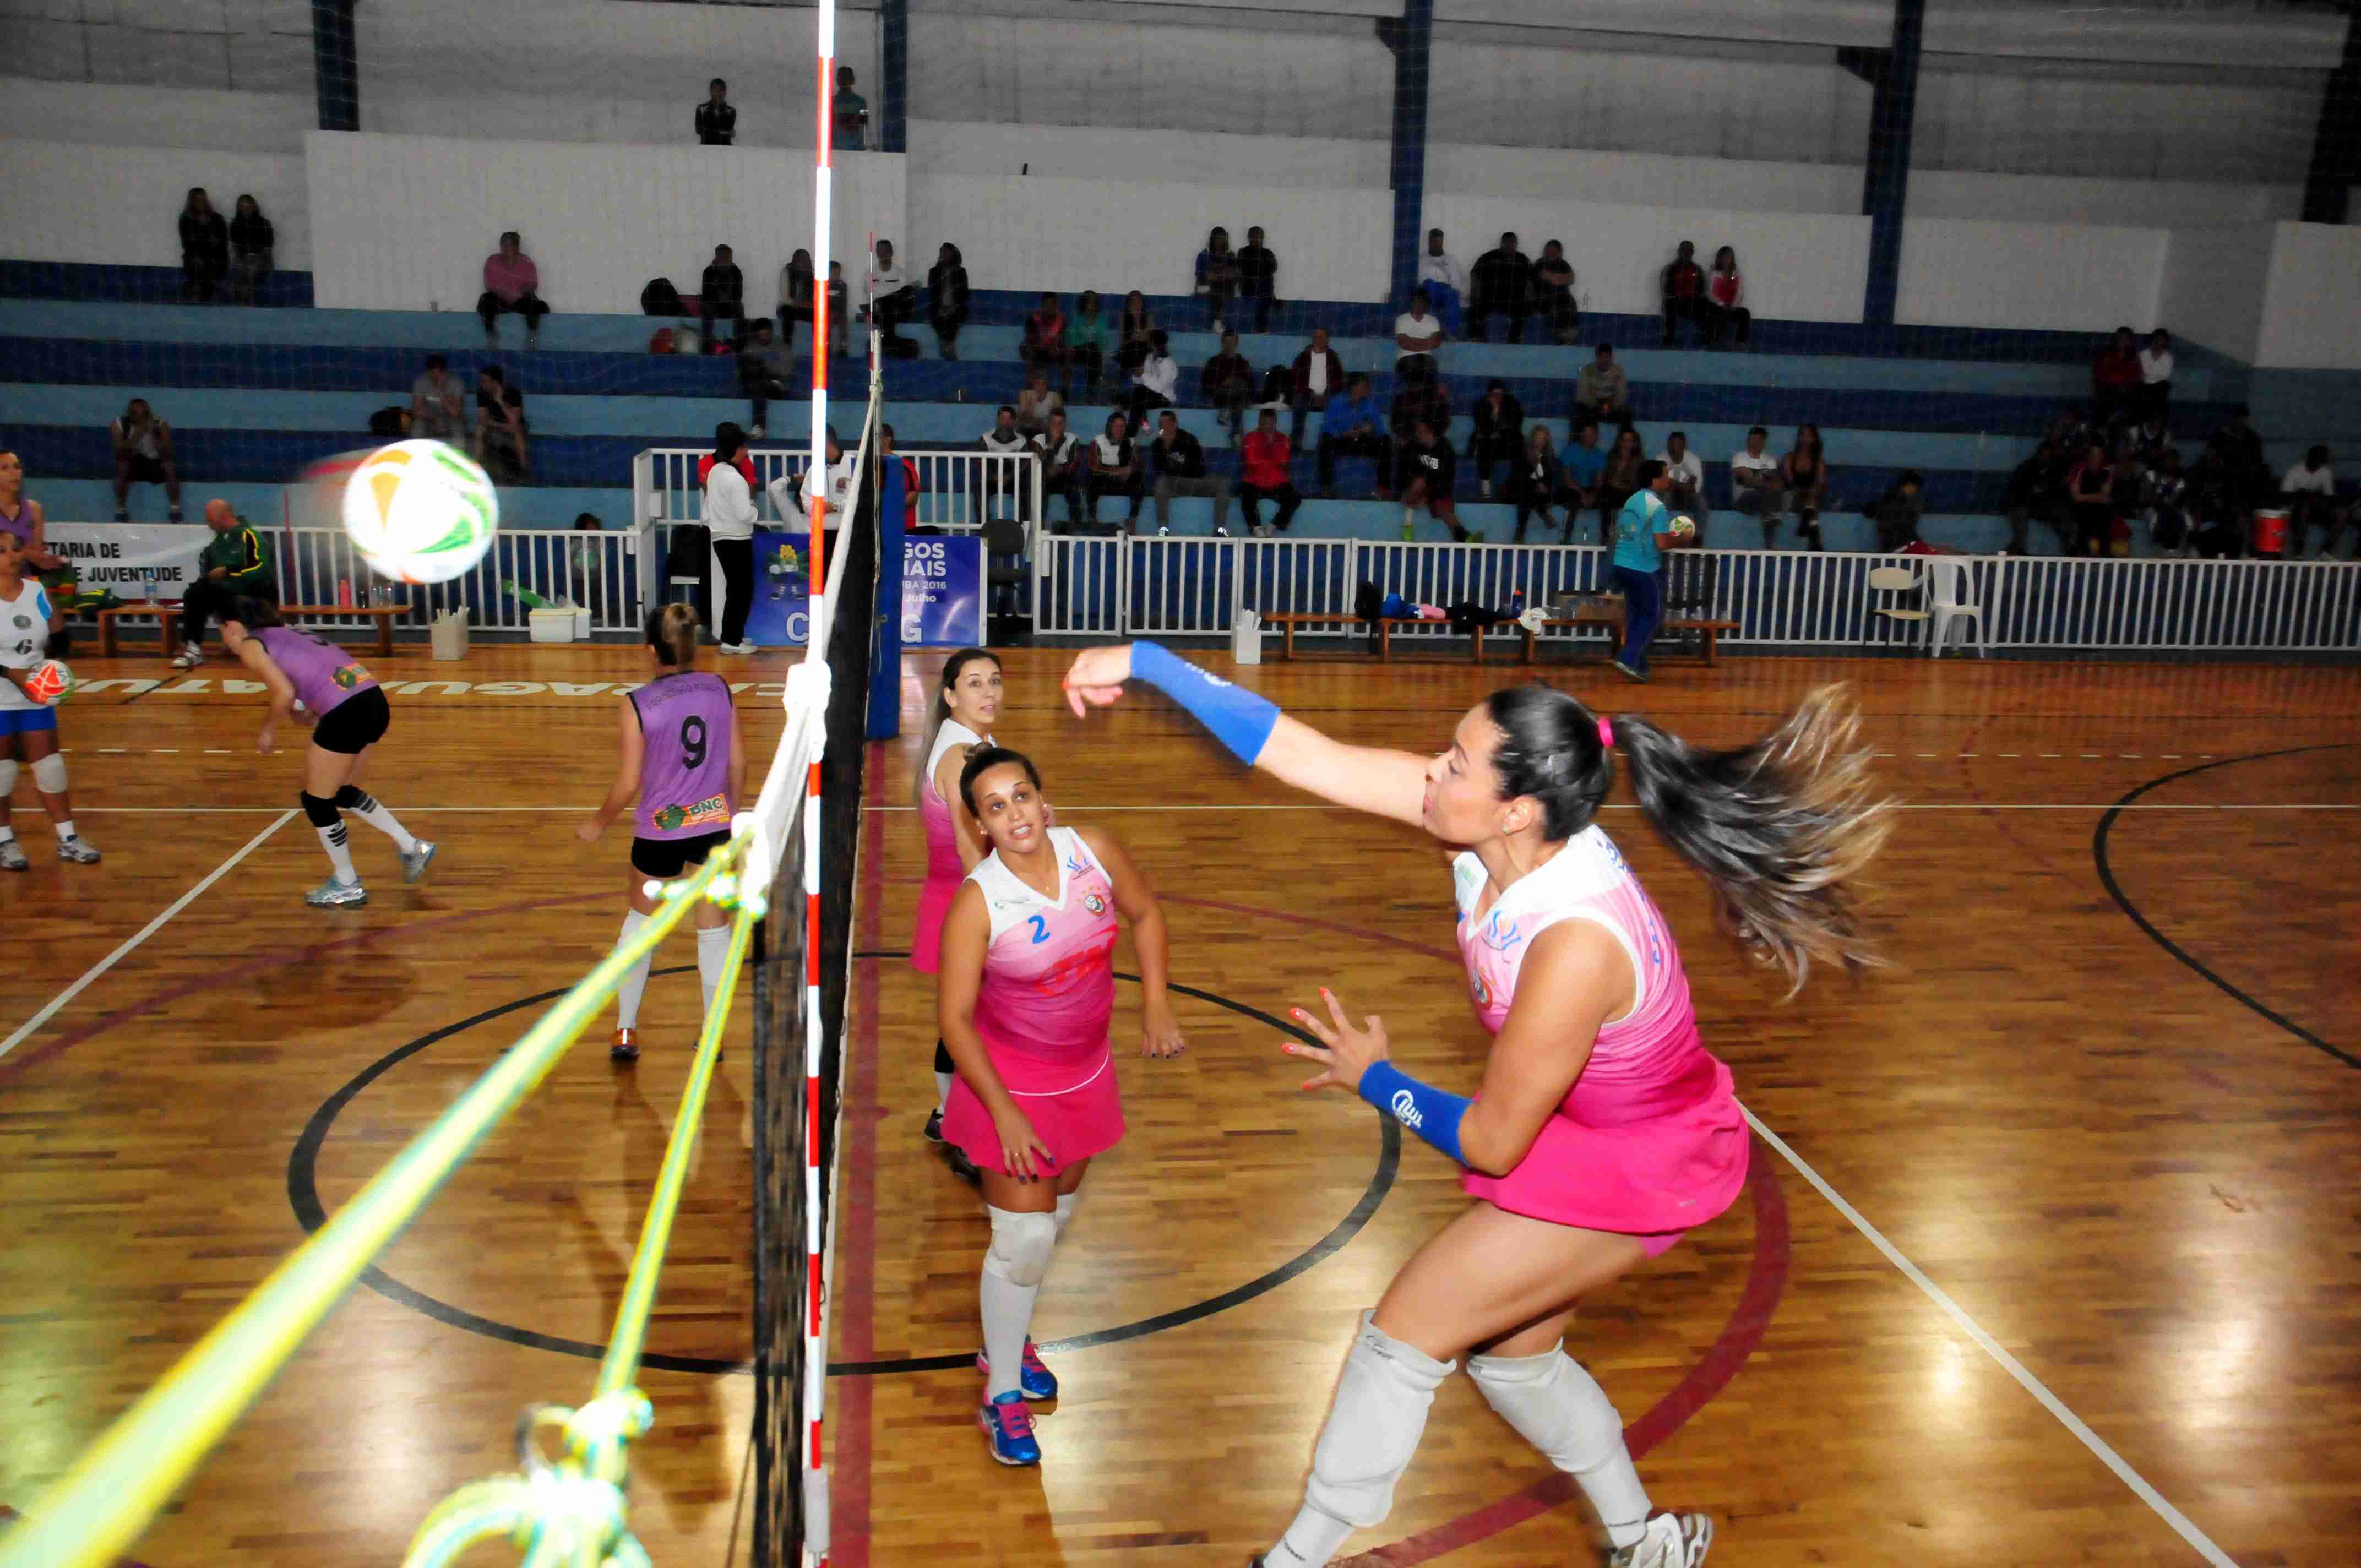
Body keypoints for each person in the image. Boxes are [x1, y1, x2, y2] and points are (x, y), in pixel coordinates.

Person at [1055, 641, 1889, 1568]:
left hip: (1640, 1159)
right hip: (1574, 1119)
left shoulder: (1574, 940)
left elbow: (1492, 1142)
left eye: (1453, 761)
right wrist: (1143, 661)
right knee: (1512, 1359)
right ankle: (1644, 1542)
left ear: (1516, 806)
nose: (1431, 769)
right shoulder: (1495, 834)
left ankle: (1292, 1561)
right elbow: (1302, 752)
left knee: (1402, 1332)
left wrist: (1377, 1077)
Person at [936, 744, 1183, 1466]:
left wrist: (1157, 1005)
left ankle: (1004, 1342)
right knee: (1023, 1244)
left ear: (1046, 802)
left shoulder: (1093, 852)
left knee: (1054, 1224)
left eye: (1022, 797)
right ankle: (1003, 1395)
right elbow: (954, 1020)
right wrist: (1005, 1113)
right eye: (995, 806)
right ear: (981, 825)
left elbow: (1146, 915)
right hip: (1009, 1092)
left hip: (1086, 1078)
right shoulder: (978, 902)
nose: (1015, 814)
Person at [578, 603, 748, 1063]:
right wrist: (728, 816)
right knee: (713, 933)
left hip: (659, 832)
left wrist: (598, 821)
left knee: (640, 926)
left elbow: (629, 783)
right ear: (692, 645)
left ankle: (626, 1029)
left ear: (651, 649)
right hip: (713, 826)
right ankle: (711, 1035)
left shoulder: (637, 704)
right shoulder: (720, 689)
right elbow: (737, 763)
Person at [222, 597, 430, 905]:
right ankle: (413, 847)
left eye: (221, 631)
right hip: (372, 700)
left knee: (317, 802)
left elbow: (285, 692)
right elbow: (310, 684)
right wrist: (304, 712)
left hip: (348, 710)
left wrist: (267, 730)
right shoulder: (291, 632)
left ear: (235, 627)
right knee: (340, 791)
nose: (223, 639)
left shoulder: (252, 645)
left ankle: (347, 884)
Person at [912, 649, 1003, 1180]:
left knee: (963, 1021)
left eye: (994, 681)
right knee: (972, 1025)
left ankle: (947, 1115)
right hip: (967, 905)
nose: (989, 693)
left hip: (955, 899)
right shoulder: (963, 755)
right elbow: (975, 858)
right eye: (974, 684)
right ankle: (964, 1132)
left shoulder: (974, 745)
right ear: (950, 695)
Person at [0, 529, 100, 869]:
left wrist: (52, 673)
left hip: (34, 697)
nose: (12, 556)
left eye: (15, 549)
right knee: (2, 773)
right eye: (2, 551)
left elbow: (59, 636)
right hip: (1, 696)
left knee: (51, 767)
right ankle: (4, 841)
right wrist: (13, 675)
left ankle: (68, 838)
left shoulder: (37, 591)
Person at [1612, 461, 1700, 682]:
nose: (1669, 479)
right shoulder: (1658, 507)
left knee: (1637, 615)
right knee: (1652, 616)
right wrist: (1681, 539)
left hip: (1622, 563)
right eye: (1665, 475)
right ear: (1654, 480)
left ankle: (1638, 665)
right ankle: (1628, 658)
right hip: (1643, 568)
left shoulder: (1632, 500)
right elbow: (1661, 543)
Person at [171, 500, 274, 670]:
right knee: (195, 593)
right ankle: (193, 648)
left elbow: (261, 571)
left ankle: (250, 645)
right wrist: (210, 578)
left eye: (211, 520)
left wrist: (228, 572)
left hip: (254, 594)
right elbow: (209, 573)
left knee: (202, 594)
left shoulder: (250, 536)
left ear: (224, 518)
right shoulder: (216, 545)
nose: (209, 525)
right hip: (227, 596)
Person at [0, 449, 67, 655]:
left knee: (44, 596)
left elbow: (35, 552)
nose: (14, 473)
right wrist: (28, 553)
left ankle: (56, 658)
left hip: (21, 577)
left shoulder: (34, 509)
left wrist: (45, 560)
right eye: (5, 468)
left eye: (17, 467)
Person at [703, 422, 758, 654]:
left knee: (736, 589)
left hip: (720, 537)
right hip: (737, 538)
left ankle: (733, 635)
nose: (747, 452)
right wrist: (755, 509)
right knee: (741, 590)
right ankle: (731, 640)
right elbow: (746, 514)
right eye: (745, 448)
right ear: (737, 449)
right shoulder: (735, 480)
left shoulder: (715, 472)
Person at [1148, 410, 1233, 537]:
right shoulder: (1157, 445)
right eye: (1161, 424)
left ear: (1175, 424)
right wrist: (1166, 448)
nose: (1164, 427)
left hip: (1196, 482)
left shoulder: (1189, 439)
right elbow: (1159, 471)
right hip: (1175, 484)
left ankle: (1219, 529)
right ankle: (1163, 528)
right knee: (1161, 484)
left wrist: (1176, 460)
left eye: (1167, 423)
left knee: (1223, 483)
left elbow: (1199, 469)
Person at [1316, 374, 1392, 500]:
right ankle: (1326, 488)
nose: (1367, 390)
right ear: (1353, 388)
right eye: (1364, 387)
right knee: (1325, 441)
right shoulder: (1337, 401)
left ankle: (1383, 489)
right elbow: (1328, 426)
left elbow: (1380, 430)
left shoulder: (1370, 404)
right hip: (1342, 441)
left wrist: (1370, 429)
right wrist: (1343, 434)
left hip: (1362, 442)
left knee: (1386, 441)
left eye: (1367, 387)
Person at [1400, 421, 1475, 544]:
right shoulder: (1414, 446)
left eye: (1421, 432)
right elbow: (1407, 473)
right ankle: (1407, 529)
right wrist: (1407, 492)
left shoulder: (1445, 448)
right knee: (1418, 483)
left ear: (1430, 433)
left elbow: (1446, 482)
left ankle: (1465, 538)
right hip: (1419, 488)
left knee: (1445, 512)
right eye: (1418, 431)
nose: (1418, 434)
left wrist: (1427, 498)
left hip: (1437, 490)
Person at [110, 398, 182, 522]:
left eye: (143, 415)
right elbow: (119, 453)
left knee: (169, 467)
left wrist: (153, 435)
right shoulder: (118, 424)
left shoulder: (160, 424)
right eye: (136, 415)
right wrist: (137, 434)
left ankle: (175, 511)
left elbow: (167, 454)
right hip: (131, 461)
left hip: (154, 462)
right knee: (121, 466)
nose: (140, 418)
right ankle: (120, 511)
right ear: (130, 414)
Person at [1238, 409, 1303, 537]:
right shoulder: (1250, 438)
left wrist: (1270, 446)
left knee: (1295, 498)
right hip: (1254, 482)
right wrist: (1269, 452)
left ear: (1275, 423)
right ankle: (1257, 528)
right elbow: (1252, 461)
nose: (1266, 427)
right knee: (1246, 497)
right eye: (1263, 424)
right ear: (1258, 422)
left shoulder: (1283, 439)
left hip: (1277, 483)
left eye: (1269, 424)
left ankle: (1274, 524)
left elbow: (1283, 462)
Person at [477, 231, 548, 347]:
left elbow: (533, 284)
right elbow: (489, 284)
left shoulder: (526, 261)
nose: (508, 248)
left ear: (517, 247)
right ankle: (490, 335)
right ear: (501, 247)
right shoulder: (492, 261)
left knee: (533, 302)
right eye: (505, 245)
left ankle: (532, 336)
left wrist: (517, 294)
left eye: (511, 245)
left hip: (520, 301)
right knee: (485, 299)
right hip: (500, 301)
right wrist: (504, 293)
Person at [2001, 438, 2068, 557]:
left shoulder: (2056, 471)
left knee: (2061, 514)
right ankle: (2018, 550)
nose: (2046, 458)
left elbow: (2056, 491)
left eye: (2049, 456)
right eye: (2043, 455)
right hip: (2021, 503)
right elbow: (2017, 493)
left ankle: (2069, 548)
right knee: (2020, 513)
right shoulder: (2025, 468)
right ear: (2038, 455)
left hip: (2042, 506)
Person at [1468, 233, 1533, 343]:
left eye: (1512, 243)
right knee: (1475, 306)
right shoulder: (1489, 257)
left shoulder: (1523, 260)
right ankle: (1476, 338)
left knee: (1525, 308)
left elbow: (1532, 279)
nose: (1509, 246)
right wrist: (1476, 292)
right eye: (1506, 243)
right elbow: (1474, 274)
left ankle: (1514, 338)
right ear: (1501, 244)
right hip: (1490, 297)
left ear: (1516, 244)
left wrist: (1529, 295)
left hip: (1514, 299)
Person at [1509, 426, 1569, 544]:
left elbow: (1549, 476)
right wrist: (1535, 485)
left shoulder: (1549, 454)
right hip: (1521, 487)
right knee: (1527, 496)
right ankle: (1541, 514)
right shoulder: (1523, 451)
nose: (1541, 441)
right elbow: (1518, 475)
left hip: (1540, 490)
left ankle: (1520, 532)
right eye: (1538, 438)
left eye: (1544, 439)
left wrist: (1545, 487)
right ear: (1533, 438)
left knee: (1537, 494)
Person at [972, 406, 1030, 525]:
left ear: (1014, 421)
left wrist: (1008, 477)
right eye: (1003, 418)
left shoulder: (1022, 441)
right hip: (991, 478)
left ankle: (1023, 527)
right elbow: (980, 462)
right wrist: (994, 477)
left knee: (1026, 488)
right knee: (979, 487)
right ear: (998, 419)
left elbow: (1024, 465)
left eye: (1009, 419)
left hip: (1013, 480)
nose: (1006, 422)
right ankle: (984, 527)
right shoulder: (986, 438)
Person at [1467, 380, 1525, 500]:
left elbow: (1517, 423)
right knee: (1486, 446)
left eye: (1501, 394)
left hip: (1505, 442)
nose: (1498, 397)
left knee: (1521, 444)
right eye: (1495, 394)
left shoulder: (1511, 403)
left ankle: (1510, 487)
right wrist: (1494, 411)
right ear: (1489, 394)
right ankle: (1486, 487)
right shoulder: (1480, 405)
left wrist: (1501, 428)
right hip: (1487, 442)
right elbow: (1481, 426)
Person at [1030, 411, 1086, 531]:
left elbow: (1075, 463)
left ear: (1065, 425)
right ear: (1048, 424)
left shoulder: (1072, 439)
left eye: (1060, 423)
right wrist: (1052, 444)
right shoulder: (1038, 439)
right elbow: (1038, 462)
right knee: (1040, 483)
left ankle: (1076, 527)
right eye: (1053, 423)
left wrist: (1060, 469)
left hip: (1064, 476)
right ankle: (1039, 528)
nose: (1056, 426)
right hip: (1044, 476)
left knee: (1074, 487)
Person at [1289, 326, 1345, 449]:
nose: (1318, 340)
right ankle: (1296, 442)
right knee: (1298, 401)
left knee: (1337, 402)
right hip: (1306, 395)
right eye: (1315, 337)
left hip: (1328, 395)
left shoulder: (1333, 358)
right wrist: (1311, 393)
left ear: (1327, 340)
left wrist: (1326, 393)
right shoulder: (1302, 357)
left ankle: (1328, 442)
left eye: (1321, 337)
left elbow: (1339, 379)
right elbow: (1296, 379)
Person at [1086, 413, 1144, 531]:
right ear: (1109, 426)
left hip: (1125, 480)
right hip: (1105, 479)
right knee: (1092, 480)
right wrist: (1116, 472)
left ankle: (1132, 520)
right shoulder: (1098, 442)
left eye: (1122, 426)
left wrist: (1129, 470)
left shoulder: (1131, 442)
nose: (1119, 429)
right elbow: (1094, 466)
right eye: (1116, 426)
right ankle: (1092, 519)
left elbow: (1139, 463)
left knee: (1139, 481)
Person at [737, 319, 792, 438]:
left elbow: (787, 371)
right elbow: (745, 370)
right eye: (761, 335)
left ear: (771, 333)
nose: (764, 338)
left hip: (777, 385)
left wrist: (766, 367)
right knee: (758, 385)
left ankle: (759, 427)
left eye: (766, 334)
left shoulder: (782, 348)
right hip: (756, 384)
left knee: (762, 383)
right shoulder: (750, 348)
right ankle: (759, 428)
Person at [2282, 445, 2341, 558]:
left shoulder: (2325, 472)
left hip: (2313, 505)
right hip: (2292, 504)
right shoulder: (2295, 471)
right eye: (2317, 459)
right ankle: (2297, 545)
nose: (2319, 463)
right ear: (2310, 458)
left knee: (2336, 512)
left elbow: (2330, 498)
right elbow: (2285, 497)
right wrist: (2302, 496)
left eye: (2322, 461)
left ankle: (2328, 548)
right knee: (2294, 510)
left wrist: (2314, 498)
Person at [1730, 427, 1785, 547]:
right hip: (1742, 501)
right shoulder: (1739, 457)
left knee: (1769, 504)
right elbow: (1747, 480)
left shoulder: (1770, 460)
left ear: (1764, 442)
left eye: (1758, 439)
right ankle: (1773, 519)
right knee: (1766, 498)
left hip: (1763, 501)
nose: (1754, 442)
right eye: (1751, 439)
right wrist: (1765, 484)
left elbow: (1775, 484)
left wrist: (1763, 484)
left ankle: (1770, 545)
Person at [474, 366, 529, 483]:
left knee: (518, 431)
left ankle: (524, 470)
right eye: (481, 381)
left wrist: (500, 401)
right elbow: (483, 419)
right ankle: (476, 467)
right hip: (497, 427)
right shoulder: (482, 393)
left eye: (485, 381)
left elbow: (514, 422)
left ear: (495, 383)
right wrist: (501, 426)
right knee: (480, 428)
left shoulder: (513, 393)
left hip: (515, 428)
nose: (482, 384)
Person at [1201, 331, 1256, 447]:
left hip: (1239, 397)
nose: (1229, 345)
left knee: (1239, 387)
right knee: (1237, 394)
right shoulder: (1213, 362)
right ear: (1222, 343)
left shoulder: (1243, 363)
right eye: (1226, 342)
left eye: (1232, 342)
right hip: (1220, 395)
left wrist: (1235, 382)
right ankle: (1237, 435)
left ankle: (1226, 411)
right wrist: (1224, 383)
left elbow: (1251, 387)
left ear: (1236, 343)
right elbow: (1206, 384)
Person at [1557, 422, 1608, 543]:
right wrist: (1583, 495)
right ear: (1581, 435)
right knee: (1573, 499)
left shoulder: (1600, 455)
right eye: (1586, 435)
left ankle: (1605, 537)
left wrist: (1593, 496)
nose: (1589, 438)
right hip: (1571, 488)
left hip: (1590, 489)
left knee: (1606, 499)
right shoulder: (1569, 451)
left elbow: (1599, 482)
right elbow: (1568, 480)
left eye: (1592, 435)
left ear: (1596, 436)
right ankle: (1566, 537)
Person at [1781, 424, 1828, 549]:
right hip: (1790, 499)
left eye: (1808, 435)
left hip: (1810, 499)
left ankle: (1807, 523)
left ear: (1814, 439)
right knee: (1810, 501)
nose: (1804, 438)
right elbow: (1790, 482)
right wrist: (1806, 493)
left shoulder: (1818, 462)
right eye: (1802, 434)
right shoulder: (1789, 458)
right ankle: (1814, 535)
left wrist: (1813, 493)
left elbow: (1821, 485)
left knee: (1812, 500)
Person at [2066, 442, 2118, 557]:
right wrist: (2097, 497)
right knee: (2083, 512)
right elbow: (2076, 497)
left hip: (2096, 507)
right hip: (2077, 507)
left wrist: (2088, 497)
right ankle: (2081, 549)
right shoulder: (2078, 469)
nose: (2097, 458)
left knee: (2106, 510)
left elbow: (2106, 497)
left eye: (2099, 454)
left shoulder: (2107, 471)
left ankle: (2105, 551)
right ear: (2088, 456)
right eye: (2094, 454)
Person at [178, 188, 229, 304]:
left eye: (203, 199)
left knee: (209, 265)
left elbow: (222, 242)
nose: (200, 202)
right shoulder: (186, 218)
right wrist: (202, 229)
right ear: (191, 201)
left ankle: (201, 295)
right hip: (195, 256)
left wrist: (206, 228)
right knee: (198, 264)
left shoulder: (217, 218)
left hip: (215, 257)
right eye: (197, 199)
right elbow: (188, 243)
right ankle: (198, 294)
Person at [1655, 432, 1706, 543]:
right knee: (1664, 498)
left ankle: (1698, 538)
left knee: (1701, 502)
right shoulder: (1660, 459)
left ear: (1684, 446)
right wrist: (1680, 485)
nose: (1675, 448)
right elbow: (1659, 485)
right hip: (1669, 495)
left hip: (1688, 497)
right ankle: (1661, 535)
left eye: (1678, 445)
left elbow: (1696, 489)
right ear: (1668, 446)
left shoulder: (1693, 460)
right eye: (1672, 445)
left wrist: (1674, 484)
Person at [1416, 229, 1467, 335]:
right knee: (1429, 284)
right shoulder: (1420, 260)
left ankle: (1451, 333)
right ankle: (1429, 329)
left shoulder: (1451, 260)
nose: (1436, 245)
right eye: (1433, 242)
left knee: (1453, 294)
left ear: (1442, 242)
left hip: (1446, 291)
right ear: (1429, 242)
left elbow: (1457, 284)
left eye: (1439, 242)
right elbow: (1416, 282)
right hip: (1428, 291)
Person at [227, 194, 275, 306]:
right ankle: (244, 300)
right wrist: (243, 257)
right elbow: (235, 247)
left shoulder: (265, 224)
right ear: (238, 208)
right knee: (241, 268)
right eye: (242, 206)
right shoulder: (235, 224)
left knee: (251, 270)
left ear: (254, 206)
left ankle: (244, 299)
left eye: (248, 205)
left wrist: (255, 256)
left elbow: (268, 250)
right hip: (242, 258)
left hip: (261, 259)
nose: (245, 209)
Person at [867, 239, 916, 346]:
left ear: (891, 253)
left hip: (898, 310)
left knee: (905, 291)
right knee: (883, 306)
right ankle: (890, 340)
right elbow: (870, 294)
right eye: (880, 251)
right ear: (877, 253)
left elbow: (904, 295)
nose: (883, 254)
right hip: (878, 310)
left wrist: (884, 300)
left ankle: (886, 340)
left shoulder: (901, 274)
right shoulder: (870, 274)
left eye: (886, 251)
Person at [2091, 328, 2143, 429]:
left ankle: (2131, 431)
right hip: (2108, 389)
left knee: (2135, 398)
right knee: (2106, 399)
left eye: (2126, 339)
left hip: (2126, 390)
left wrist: (2125, 383)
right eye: (2120, 338)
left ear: (2130, 341)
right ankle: (2103, 431)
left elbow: (2137, 375)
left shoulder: (2133, 357)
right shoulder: (2106, 354)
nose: (2122, 341)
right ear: (2116, 339)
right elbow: (2098, 373)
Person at [1597, 425, 1644, 535]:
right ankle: (1606, 536)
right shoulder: (1611, 457)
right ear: (1619, 442)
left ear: (1634, 443)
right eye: (1624, 440)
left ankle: (1631, 537)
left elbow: (1636, 485)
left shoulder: (1639, 460)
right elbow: (1608, 480)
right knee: (1607, 499)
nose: (1626, 444)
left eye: (1629, 441)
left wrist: (1620, 485)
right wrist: (1622, 462)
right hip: (1612, 493)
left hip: (1630, 493)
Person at [411, 355, 469, 443]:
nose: (436, 377)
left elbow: (455, 413)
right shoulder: (421, 381)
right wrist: (434, 418)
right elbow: (416, 412)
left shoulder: (456, 382)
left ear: (444, 372)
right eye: (433, 374)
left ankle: (458, 454)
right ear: (429, 372)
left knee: (457, 428)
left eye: (439, 374)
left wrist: (441, 392)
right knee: (418, 427)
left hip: (450, 419)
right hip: (430, 418)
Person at [1127, 330, 1178, 430]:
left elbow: (1159, 388)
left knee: (1138, 394)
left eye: (1148, 342)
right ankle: (1144, 426)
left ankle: (1135, 428)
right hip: (1146, 396)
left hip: (1165, 398)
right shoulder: (1148, 358)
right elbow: (1139, 382)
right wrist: (1136, 374)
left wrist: (1143, 375)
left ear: (1154, 345)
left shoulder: (1168, 363)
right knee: (1134, 397)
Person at [928, 243, 971, 360]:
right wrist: (941, 309)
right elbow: (933, 294)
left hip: (956, 308)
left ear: (954, 254)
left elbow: (964, 294)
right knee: (939, 318)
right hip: (939, 308)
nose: (944, 254)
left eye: (947, 252)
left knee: (953, 318)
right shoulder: (934, 272)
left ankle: (946, 346)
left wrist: (953, 308)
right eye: (943, 252)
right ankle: (948, 347)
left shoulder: (961, 272)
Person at [1660, 241, 1706, 346]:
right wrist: (1678, 297)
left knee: (1706, 304)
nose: (1686, 253)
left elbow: (1702, 291)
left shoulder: (1698, 270)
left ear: (1693, 253)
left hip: (1692, 303)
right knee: (1670, 304)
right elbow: (1665, 290)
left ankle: (1705, 339)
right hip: (1676, 301)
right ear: (1678, 252)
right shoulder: (1670, 269)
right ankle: (1669, 339)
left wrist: (1694, 297)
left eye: (1689, 251)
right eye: (1684, 250)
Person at [1574, 344, 1630, 431]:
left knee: (1627, 414)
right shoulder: (1587, 371)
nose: (1605, 360)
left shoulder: (1619, 373)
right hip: (1593, 407)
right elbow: (1583, 395)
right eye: (1602, 357)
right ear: (1597, 358)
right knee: (1579, 410)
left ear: (1611, 358)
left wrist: (1610, 406)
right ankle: (1577, 441)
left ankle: (1624, 442)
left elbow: (1621, 396)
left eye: (1607, 357)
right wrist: (1597, 406)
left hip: (1612, 407)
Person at [700, 243, 746, 349]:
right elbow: (706, 293)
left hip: (730, 305)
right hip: (714, 305)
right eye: (723, 256)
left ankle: (740, 346)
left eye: (728, 256)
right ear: (717, 257)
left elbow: (739, 294)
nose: (726, 259)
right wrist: (720, 297)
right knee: (706, 307)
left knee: (740, 307)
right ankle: (706, 346)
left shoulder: (736, 271)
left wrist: (727, 298)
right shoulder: (708, 271)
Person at [1022, 293, 1069, 394]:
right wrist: (1032, 351)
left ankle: (1065, 392)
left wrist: (1056, 347)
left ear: (1056, 305)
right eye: (1047, 304)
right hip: (1037, 348)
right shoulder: (1034, 318)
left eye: (1052, 304)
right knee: (1034, 358)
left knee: (1068, 357)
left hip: (1052, 349)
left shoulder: (1061, 319)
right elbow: (1029, 339)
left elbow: (1061, 339)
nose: (1050, 307)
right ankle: (1030, 389)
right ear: (1042, 305)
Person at [1196, 226, 1241, 331]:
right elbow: (1202, 273)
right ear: (1212, 239)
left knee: (1221, 289)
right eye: (1217, 238)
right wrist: (1215, 275)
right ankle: (1217, 322)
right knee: (1216, 291)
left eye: (1222, 238)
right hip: (1205, 286)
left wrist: (1217, 276)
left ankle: (1218, 322)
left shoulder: (1230, 255)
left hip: (1225, 287)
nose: (1219, 241)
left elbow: (1234, 274)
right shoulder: (1204, 254)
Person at [1704, 246, 1749, 347]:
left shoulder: (1736, 273)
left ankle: (1740, 343)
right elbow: (1710, 293)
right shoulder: (1714, 273)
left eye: (1729, 257)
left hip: (1731, 306)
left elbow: (1740, 292)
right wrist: (1722, 304)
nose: (1727, 259)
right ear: (1720, 259)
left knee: (1745, 314)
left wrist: (1733, 305)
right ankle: (1710, 341)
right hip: (1717, 305)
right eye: (1724, 257)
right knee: (1713, 311)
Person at [1394, 291, 1444, 382]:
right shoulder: (1401, 320)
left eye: (1422, 303)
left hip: (1426, 359)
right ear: (1412, 303)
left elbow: (1436, 343)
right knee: (1414, 372)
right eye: (1416, 302)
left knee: (1429, 371)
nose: (1419, 305)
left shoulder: (1433, 321)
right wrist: (1428, 341)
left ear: (1426, 305)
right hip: (1405, 358)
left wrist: (1412, 341)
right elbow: (1405, 344)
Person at [1533, 241, 1577, 344]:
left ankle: (1569, 340)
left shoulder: (1564, 264)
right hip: (1543, 298)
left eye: (1553, 251)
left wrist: (1552, 278)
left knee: (1569, 307)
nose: (1550, 253)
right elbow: (1539, 279)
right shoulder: (1540, 263)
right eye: (1548, 250)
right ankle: (1563, 337)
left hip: (1562, 298)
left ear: (1559, 252)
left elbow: (1570, 279)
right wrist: (1558, 278)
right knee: (1554, 309)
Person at [1872, 471, 1927, 553]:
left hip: (1895, 546)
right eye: (1910, 486)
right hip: (1894, 546)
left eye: (1914, 488)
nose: (1912, 490)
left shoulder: (1909, 502)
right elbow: (1900, 528)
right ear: (1903, 486)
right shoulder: (1894, 503)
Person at [1238, 225, 1280, 332]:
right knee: (1261, 288)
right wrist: (1260, 268)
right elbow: (1245, 269)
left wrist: (1258, 268)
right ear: (1248, 237)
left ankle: (1262, 328)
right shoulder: (1243, 252)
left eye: (1258, 236)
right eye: (1253, 236)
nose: (1256, 239)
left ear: (1263, 237)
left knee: (1265, 290)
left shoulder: (1268, 253)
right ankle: (1262, 327)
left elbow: (1273, 268)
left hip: (1265, 287)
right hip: (1248, 287)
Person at [1067, 290, 1108, 398]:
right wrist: (1086, 343)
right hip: (1078, 353)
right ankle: (1099, 378)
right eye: (1089, 300)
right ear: (1085, 302)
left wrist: (1095, 345)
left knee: (1094, 351)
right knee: (1092, 347)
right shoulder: (1078, 318)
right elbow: (1072, 339)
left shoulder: (1101, 320)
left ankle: (1089, 394)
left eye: (1093, 301)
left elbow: (1103, 341)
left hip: (1093, 355)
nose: (1091, 303)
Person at [2138, 328, 2174, 424]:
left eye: (2161, 340)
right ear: (2152, 340)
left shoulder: (2168, 358)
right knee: (2147, 393)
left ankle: (2159, 426)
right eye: (2156, 339)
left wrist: (2149, 376)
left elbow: (2165, 376)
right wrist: (2150, 377)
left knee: (2163, 387)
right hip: (2145, 385)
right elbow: (2141, 375)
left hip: (2159, 386)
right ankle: (2145, 424)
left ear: (2165, 342)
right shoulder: (2142, 355)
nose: (2158, 342)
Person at [1014, 369, 1062, 440]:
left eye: (1044, 384)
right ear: (1034, 384)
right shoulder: (1025, 395)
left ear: (1047, 385)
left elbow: (1059, 418)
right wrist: (1033, 402)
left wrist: (1043, 424)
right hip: (1028, 429)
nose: (1041, 387)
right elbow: (1021, 417)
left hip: (1046, 429)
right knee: (1022, 426)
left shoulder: (1055, 397)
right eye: (1038, 384)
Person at [834, 66, 868, 150]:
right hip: (855, 149)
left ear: (837, 81)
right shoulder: (861, 102)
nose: (845, 80)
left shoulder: (831, 102)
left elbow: (864, 121)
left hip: (837, 150)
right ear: (853, 80)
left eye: (846, 77)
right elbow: (864, 121)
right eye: (843, 77)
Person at [696, 78, 736, 145]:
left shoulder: (731, 111)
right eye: (715, 91)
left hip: (726, 150)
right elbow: (699, 130)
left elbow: (728, 129)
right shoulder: (701, 109)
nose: (718, 94)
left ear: (725, 92)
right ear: (711, 92)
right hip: (707, 150)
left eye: (721, 91)